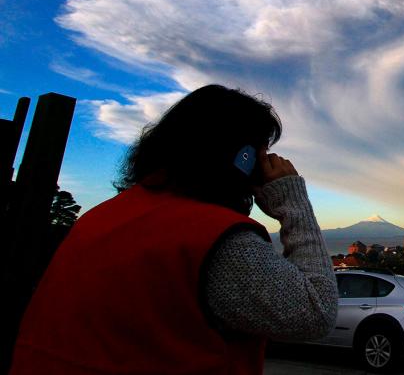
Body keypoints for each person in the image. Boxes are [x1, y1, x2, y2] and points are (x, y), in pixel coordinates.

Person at [10, 85, 337, 375]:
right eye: (260, 151)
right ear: (242, 158)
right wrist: (292, 201)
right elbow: (316, 312)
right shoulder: (216, 238)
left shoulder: (97, 220)